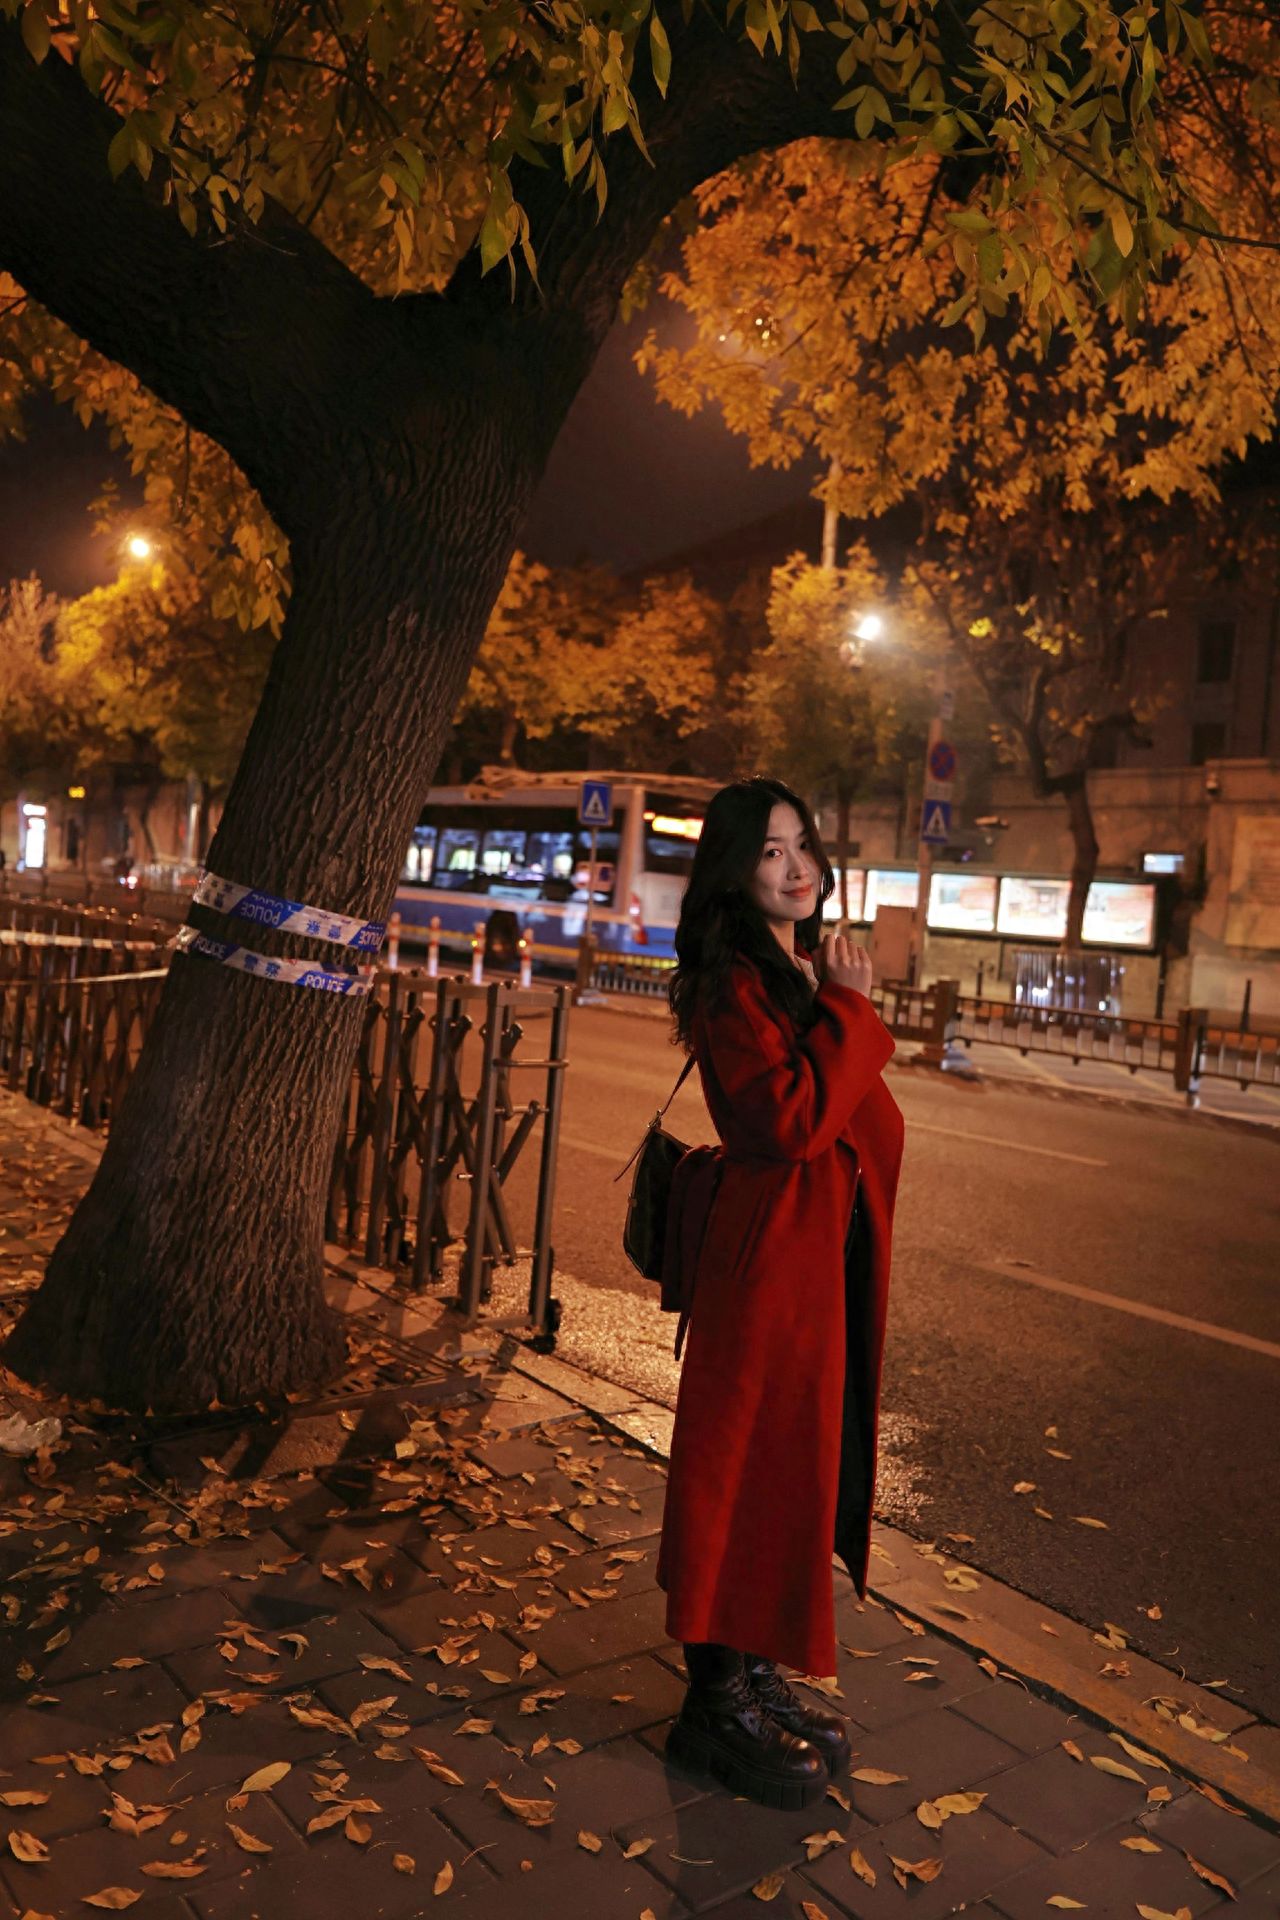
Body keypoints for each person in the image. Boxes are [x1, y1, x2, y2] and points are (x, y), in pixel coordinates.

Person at [657, 775, 905, 1811]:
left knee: (788, 1465)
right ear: (731, 866)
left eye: (802, 844)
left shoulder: (784, 965)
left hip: (811, 1262)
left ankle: (753, 1672)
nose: (796, 867)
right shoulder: (730, 981)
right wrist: (845, 1007)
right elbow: (786, 1121)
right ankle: (710, 1701)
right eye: (769, 851)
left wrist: (829, 997)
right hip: (765, 1264)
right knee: (738, 1464)